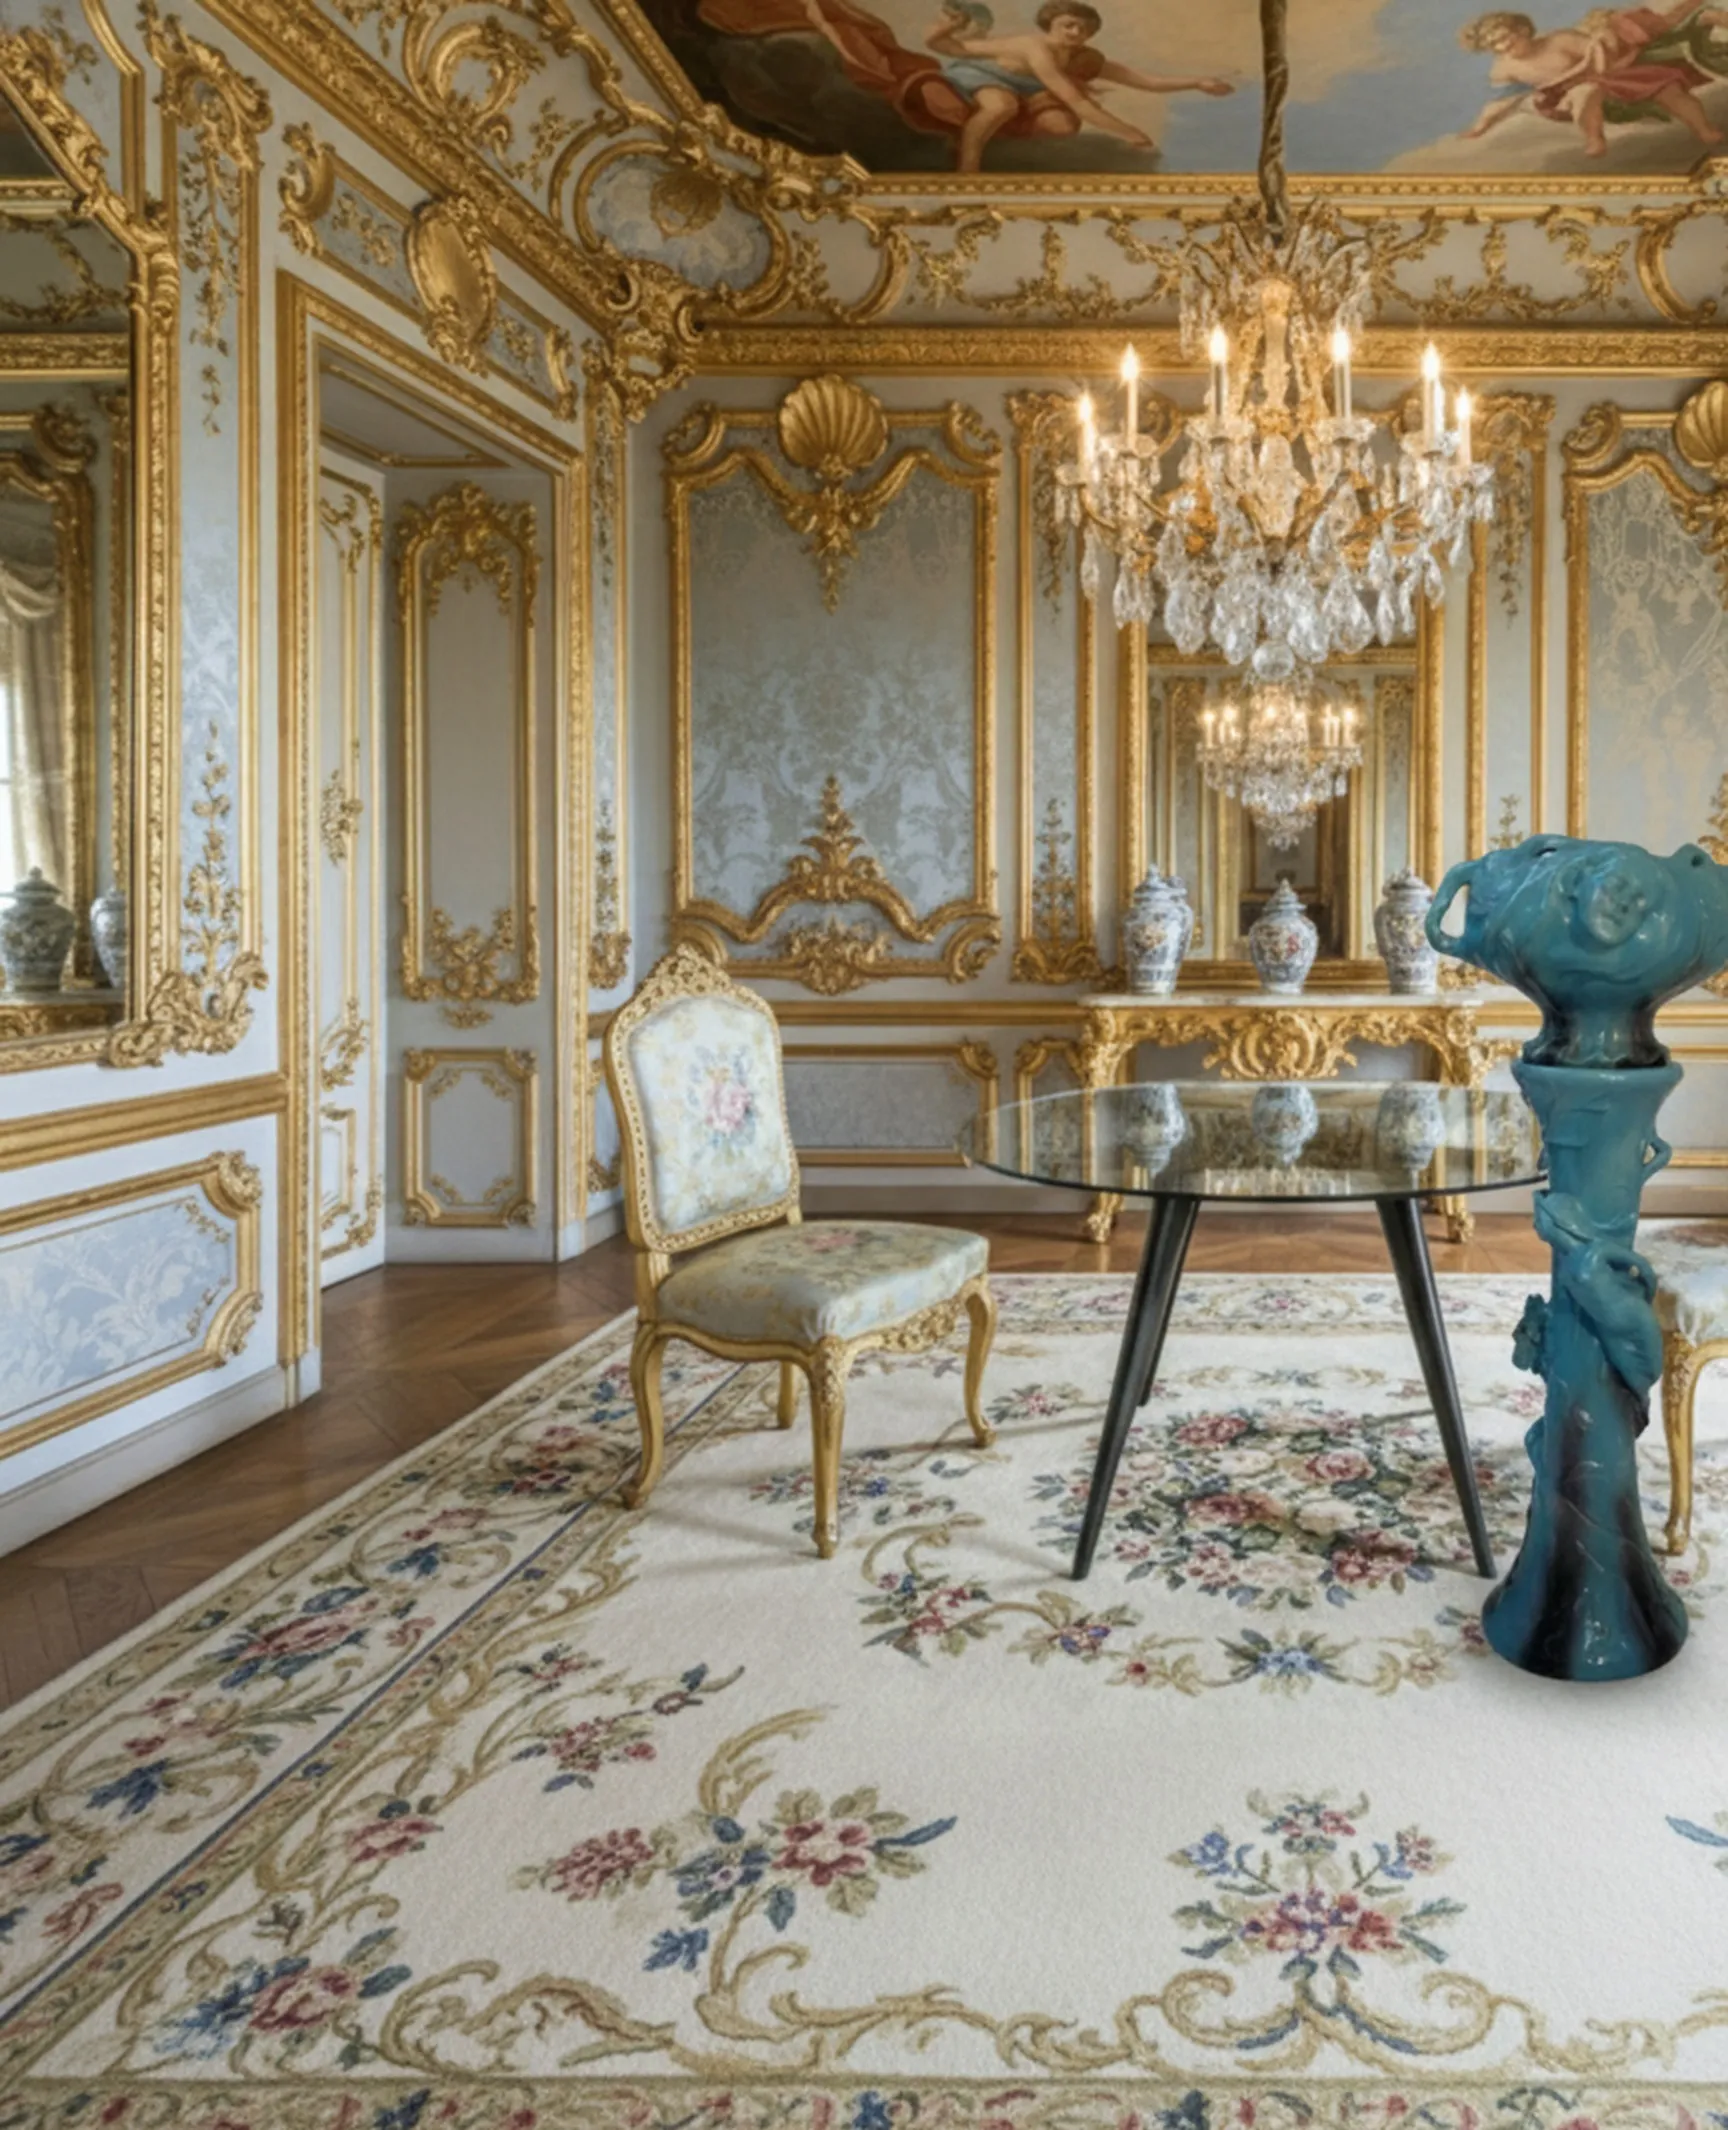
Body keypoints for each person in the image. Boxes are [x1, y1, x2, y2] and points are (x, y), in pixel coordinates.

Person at [926, 1, 1233, 172]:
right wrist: (1129, 132)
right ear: (1051, 25)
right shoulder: (1035, 48)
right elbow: (1076, 101)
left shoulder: (1082, 57)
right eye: (1068, 25)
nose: (1075, 32)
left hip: (1026, 87)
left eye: (1083, 29)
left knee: (1059, 126)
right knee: (1000, 106)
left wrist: (1197, 82)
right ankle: (968, 167)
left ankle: (999, 146)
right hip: (984, 74)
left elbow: (1144, 81)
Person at [1460, 3, 1728, 157]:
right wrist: (1479, 128)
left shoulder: (1560, 40)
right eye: (1494, 44)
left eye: (1506, 37)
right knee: (1584, 92)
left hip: (1610, 76)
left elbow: (1602, 56)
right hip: (1565, 98)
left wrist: (1596, 62)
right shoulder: (1504, 69)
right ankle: (1594, 138)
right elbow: (1502, 101)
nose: (1503, 45)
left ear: (1522, 30)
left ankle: (1704, 129)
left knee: (1667, 86)